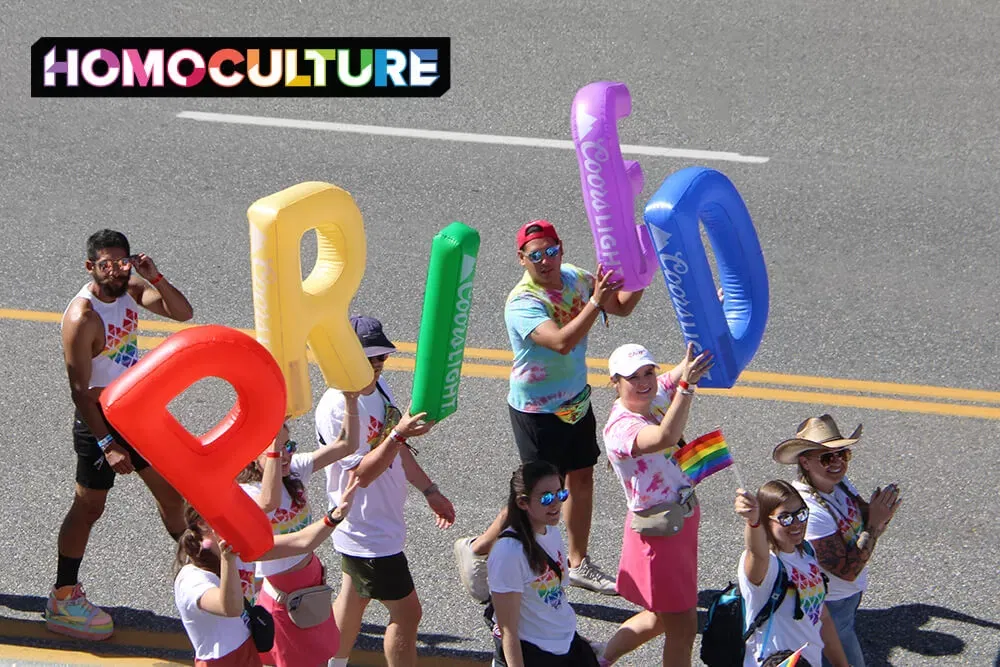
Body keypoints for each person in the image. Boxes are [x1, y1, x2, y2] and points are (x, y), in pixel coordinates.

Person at [455, 220, 644, 600]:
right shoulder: (522, 302)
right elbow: (560, 341)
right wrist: (594, 301)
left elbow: (620, 307)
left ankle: (578, 563)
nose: (545, 261)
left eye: (551, 251)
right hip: (537, 411)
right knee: (538, 494)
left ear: (561, 248)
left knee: (582, 480)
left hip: (575, 400)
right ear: (521, 259)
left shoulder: (576, 277)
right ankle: (477, 549)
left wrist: (642, 271)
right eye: (535, 255)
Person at [50, 229, 194, 639]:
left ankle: (201, 581)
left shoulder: (131, 287)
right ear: (90, 266)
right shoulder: (84, 318)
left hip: (135, 413)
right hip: (101, 423)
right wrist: (107, 444)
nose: (115, 270)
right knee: (89, 507)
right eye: (105, 264)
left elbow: (183, 313)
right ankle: (63, 597)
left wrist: (156, 277)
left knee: (172, 498)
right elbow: (80, 392)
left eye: (122, 261)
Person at [316, 315, 457, 667]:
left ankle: (330, 663)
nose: (377, 365)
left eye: (382, 357)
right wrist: (398, 435)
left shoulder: (379, 388)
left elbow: (397, 450)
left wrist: (429, 490)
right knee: (408, 615)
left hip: (380, 522)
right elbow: (361, 474)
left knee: (353, 600)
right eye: (369, 358)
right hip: (366, 530)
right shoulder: (337, 408)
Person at [596, 342, 713, 667]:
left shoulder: (653, 395)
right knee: (684, 626)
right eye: (633, 377)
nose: (644, 381)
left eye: (649, 372)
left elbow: (678, 372)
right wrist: (686, 390)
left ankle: (600, 658)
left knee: (660, 617)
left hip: (678, 521)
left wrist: (706, 319)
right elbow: (662, 437)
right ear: (615, 383)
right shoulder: (621, 429)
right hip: (661, 534)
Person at [174, 478, 360, 667]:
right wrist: (228, 560)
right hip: (220, 662)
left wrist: (335, 516)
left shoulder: (241, 550)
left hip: (248, 651)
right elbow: (231, 608)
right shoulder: (192, 578)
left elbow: (302, 542)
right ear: (203, 524)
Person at [773, 415, 901, 667]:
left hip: (845, 600)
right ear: (805, 462)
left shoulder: (839, 484)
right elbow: (846, 570)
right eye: (826, 457)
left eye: (842, 454)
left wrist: (879, 513)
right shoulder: (808, 509)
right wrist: (875, 524)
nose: (837, 462)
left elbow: (862, 513)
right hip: (828, 605)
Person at [236, 410, 362, 667]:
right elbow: (269, 505)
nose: (284, 455)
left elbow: (346, 444)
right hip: (279, 593)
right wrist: (334, 517)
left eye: (288, 446)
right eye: (273, 450)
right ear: (251, 455)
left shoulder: (293, 471)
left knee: (316, 655)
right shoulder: (248, 493)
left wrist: (351, 397)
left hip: (309, 584)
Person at [487, 461, 600, 667]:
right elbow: (508, 630)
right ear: (523, 502)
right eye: (547, 498)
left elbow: (556, 599)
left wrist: (575, 639)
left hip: (565, 645)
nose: (556, 503)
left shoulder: (551, 532)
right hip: (536, 653)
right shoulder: (508, 553)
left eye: (561, 494)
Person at [734, 481, 849, 667]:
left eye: (801, 514)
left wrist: (842, 664)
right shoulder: (768, 565)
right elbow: (756, 552)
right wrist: (753, 522)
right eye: (785, 518)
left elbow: (822, 616)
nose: (797, 523)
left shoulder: (806, 551)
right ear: (766, 519)